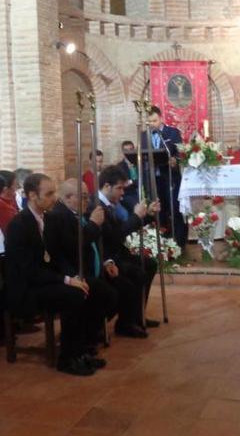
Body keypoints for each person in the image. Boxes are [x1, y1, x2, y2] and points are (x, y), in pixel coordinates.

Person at [4, 173, 104, 376]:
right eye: (48, 194)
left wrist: (73, 277)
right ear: (32, 195)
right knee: (72, 295)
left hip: (43, 280)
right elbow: (28, 269)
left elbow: (57, 257)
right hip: (25, 289)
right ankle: (67, 359)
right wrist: (65, 280)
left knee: (86, 288)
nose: (54, 198)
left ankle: (80, 351)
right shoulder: (18, 225)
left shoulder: (48, 219)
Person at [46, 179, 122, 349]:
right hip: (73, 271)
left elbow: (96, 244)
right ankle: (86, 337)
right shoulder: (60, 216)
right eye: (84, 197)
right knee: (106, 294)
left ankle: (90, 334)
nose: (88, 201)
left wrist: (105, 261)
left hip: (92, 268)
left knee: (120, 286)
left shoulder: (78, 213)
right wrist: (94, 224)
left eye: (88, 197)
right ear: (68, 198)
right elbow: (75, 245)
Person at [96, 165, 161, 336]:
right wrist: (136, 216)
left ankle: (137, 316)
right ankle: (125, 323)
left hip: (117, 253)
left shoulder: (110, 203)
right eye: (119, 188)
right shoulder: (97, 206)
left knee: (150, 264)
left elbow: (124, 227)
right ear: (107, 186)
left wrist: (147, 215)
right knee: (137, 273)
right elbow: (115, 235)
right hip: (107, 256)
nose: (122, 193)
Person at [140, 106, 186, 247]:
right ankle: (164, 244)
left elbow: (181, 154)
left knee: (175, 209)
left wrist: (175, 161)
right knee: (159, 211)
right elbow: (142, 155)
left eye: (154, 120)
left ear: (161, 118)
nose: (152, 124)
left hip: (170, 178)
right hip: (153, 179)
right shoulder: (143, 135)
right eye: (149, 122)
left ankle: (179, 243)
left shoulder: (172, 133)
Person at [117, 140, 140, 211]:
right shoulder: (119, 167)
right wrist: (133, 182)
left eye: (131, 149)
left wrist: (130, 182)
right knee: (137, 206)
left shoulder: (140, 164)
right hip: (128, 194)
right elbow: (123, 184)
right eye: (126, 150)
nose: (129, 152)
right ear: (123, 152)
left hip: (141, 191)